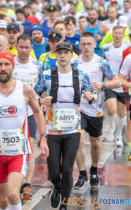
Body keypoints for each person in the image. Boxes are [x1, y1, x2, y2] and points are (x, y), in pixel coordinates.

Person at [0, 50, 48, 210]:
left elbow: (38, 113)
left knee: (13, 193)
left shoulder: (25, 90)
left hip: (19, 152)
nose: (3, 68)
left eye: (6, 64)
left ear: (13, 67)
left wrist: (43, 137)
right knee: (3, 201)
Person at [35, 42, 95, 210]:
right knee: (54, 172)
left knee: (67, 170)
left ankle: (64, 204)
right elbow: (34, 94)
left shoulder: (81, 75)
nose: (62, 56)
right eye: (59, 53)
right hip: (52, 129)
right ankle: (57, 186)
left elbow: (92, 95)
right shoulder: (47, 74)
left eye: (65, 53)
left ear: (71, 56)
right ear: (55, 55)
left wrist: (91, 96)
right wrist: (41, 100)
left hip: (73, 129)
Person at [73, 32, 120, 191]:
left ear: (94, 45)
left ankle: (93, 170)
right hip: (78, 108)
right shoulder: (74, 63)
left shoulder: (101, 62)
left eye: (89, 44)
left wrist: (102, 85)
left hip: (96, 109)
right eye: (83, 44)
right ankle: (81, 174)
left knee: (95, 143)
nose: (86, 47)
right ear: (80, 45)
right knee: (77, 140)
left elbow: (116, 81)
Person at [11, 35, 43, 200]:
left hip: (30, 112)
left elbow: (41, 87)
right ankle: (15, 179)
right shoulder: (10, 62)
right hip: (11, 113)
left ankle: (28, 183)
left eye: (26, 47)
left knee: (28, 147)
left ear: (31, 47)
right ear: (16, 46)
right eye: (21, 47)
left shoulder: (37, 65)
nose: (23, 50)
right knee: (14, 147)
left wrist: (42, 101)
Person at [102, 25, 130, 146]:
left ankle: (118, 134)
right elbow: (103, 63)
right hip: (110, 82)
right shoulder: (106, 48)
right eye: (115, 33)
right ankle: (111, 130)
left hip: (122, 84)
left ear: (123, 35)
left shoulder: (127, 48)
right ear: (112, 34)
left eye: (120, 33)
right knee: (111, 108)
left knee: (121, 112)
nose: (117, 35)